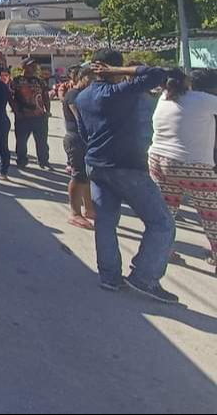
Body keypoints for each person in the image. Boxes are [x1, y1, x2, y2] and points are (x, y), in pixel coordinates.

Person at [73, 51, 175, 302]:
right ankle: (145, 276)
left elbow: (83, 132)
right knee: (161, 223)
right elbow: (157, 74)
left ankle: (109, 276)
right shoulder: (119, 92)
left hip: (96, 164)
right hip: (126, 165)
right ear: (110, 68)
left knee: (105, 222)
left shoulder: (83, 96)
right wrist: (118, 72)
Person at [148, 68, 217, 273]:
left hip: (158, 160)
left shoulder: (166, 96)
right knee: (212, 215)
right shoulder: (204, 100)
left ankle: (164, 251)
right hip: (192, 166)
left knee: (166, 214)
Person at [61, 67, 96, 228]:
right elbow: (80, 117)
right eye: (90, 78)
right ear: (81, 78)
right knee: (78, 175)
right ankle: (75, 213)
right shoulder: (73, 95)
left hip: (85, 139)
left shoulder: (84, 95)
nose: (92, 82)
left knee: (87, 176)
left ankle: (89, 208)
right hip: (75, 138)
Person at [11, 57, 52, 169]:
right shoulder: (16, 81)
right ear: (23, 66)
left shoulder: (39, 81)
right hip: (23, 116)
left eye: (34, 65)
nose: (33, 67)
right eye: (30, 65)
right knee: (21, 141)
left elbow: (45, 96)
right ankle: (22, 160)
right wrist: (16, 111)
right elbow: (11, 98)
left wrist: (48, 111)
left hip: (39, 116)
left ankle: (44, 161)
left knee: (42, 141)